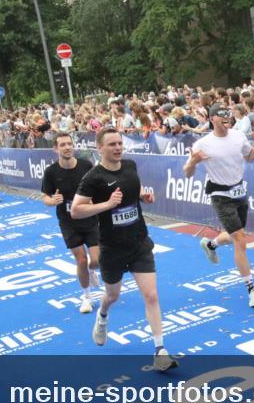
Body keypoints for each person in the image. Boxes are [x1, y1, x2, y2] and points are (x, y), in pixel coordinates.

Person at [72, 128, 177, 371]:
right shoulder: (93, 178)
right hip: (112, 248)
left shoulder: (130, 166)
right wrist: (107, 204)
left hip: (139, 242)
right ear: (100, 148)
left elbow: (132, 191)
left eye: (120, 143)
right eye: (112, 144)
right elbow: (76, 210)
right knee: (112, 296)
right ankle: (102, 316)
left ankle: (160, 350)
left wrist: (143, 196)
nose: (118, 148)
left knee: (151, 296)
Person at [184, 105, 254, 308]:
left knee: (235, 235)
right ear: (212, 119)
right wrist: (193, 162)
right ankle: (252, 290)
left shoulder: (238, 136)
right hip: (220, 194)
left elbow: (250, 157)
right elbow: (187, 172)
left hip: (239, 190)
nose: (226, 118)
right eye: (221, 115)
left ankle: (211, 244)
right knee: (240, 239)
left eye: (228, 115)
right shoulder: (203, 143)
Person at [41, 133, 101, 314]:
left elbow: (97, 188)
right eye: (62, 145)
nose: (67, 147)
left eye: (69, 144)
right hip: (68, 223)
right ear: (55, 149)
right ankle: (87, 297)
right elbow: (45, 197)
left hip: (90, 219)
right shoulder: (51, 172)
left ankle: (91, 271)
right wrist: (53, 201)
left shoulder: (86, 166)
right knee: (81, 260)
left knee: (96, 261)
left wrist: (95, 200)